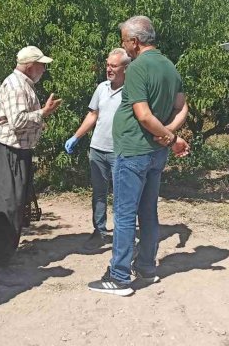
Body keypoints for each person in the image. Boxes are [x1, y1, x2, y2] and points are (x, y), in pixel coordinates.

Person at [88, 16, 189, 296]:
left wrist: (169, 136)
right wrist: (170, 134)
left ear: (134, 41)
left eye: (124, 40)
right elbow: (183, 108)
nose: (123, 45)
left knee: (123, 214)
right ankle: (146, 267)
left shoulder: (136, 69)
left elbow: (143, 115)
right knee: (148, 212)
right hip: (155, 154)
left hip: (133, 151)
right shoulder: (169, 65)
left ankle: (119, 277)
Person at [0, 45, 62, 286]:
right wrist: (43, 113)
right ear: (30, 66)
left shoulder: (23, 84)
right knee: (6, 205)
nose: (44, 69)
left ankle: (6, 258)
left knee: (16, 204)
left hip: (15, 151)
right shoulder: (18, 86)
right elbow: (17, 122)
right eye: (41, 65)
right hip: (6, 151)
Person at [64, 48, 130, 245]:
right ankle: (99, 232)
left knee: (121, 196)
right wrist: (76, 136)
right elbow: (93, 114)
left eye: (114, 66)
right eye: (107, 65)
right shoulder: (102, 87)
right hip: (98, 149)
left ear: (125, 68)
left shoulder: (131, 91)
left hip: (120, 151)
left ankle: (121, 235)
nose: (109, 69)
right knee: (99, 193)